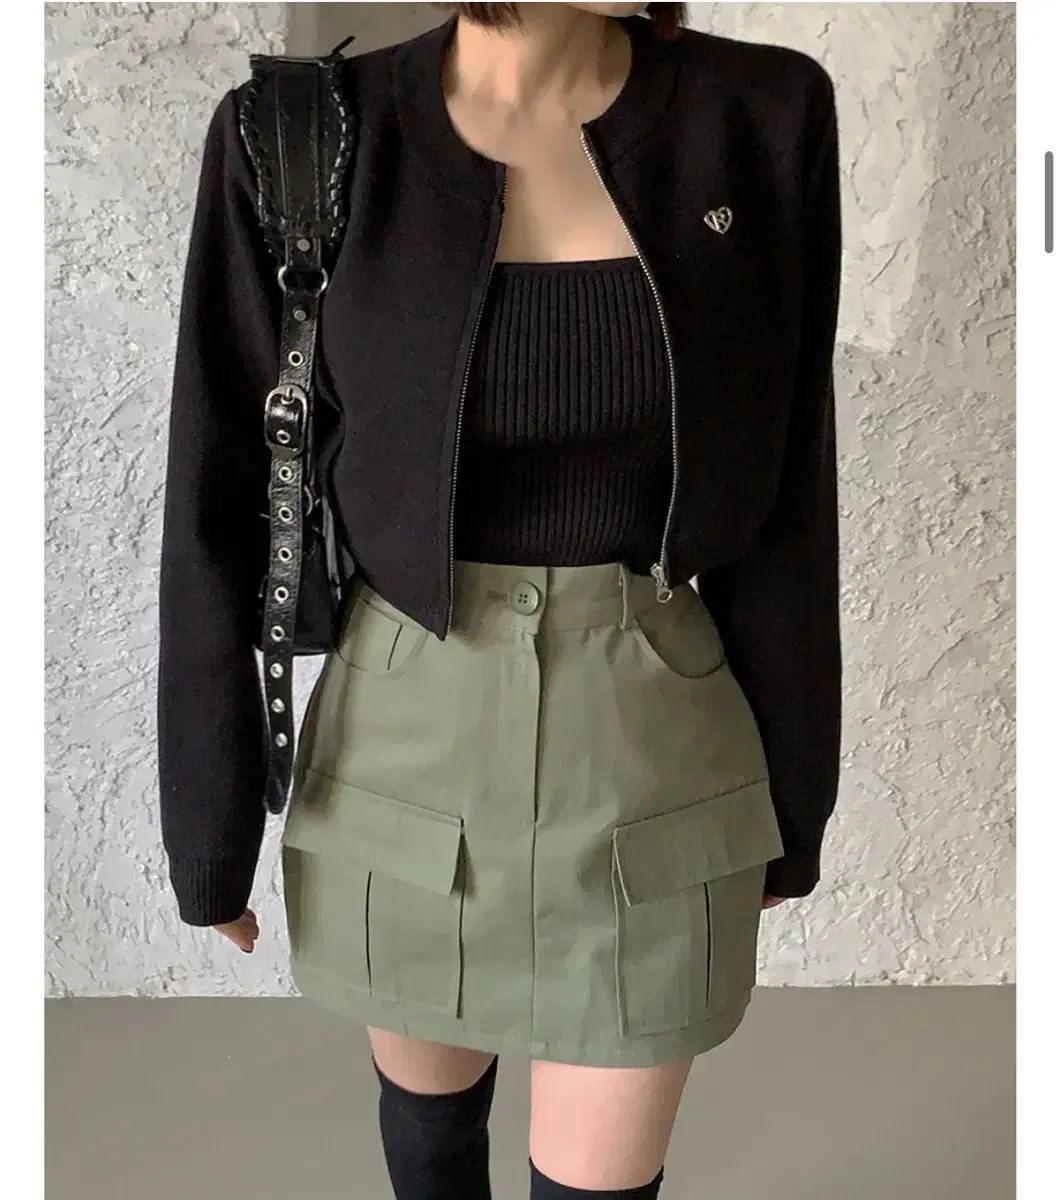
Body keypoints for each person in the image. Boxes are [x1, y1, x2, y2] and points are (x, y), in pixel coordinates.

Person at [156, 3, 842, 1197]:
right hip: (401, 756)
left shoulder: (762, 117)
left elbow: (790, 488)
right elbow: (217, 487)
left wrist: (797, 794)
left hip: (654, 762)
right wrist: (209, 821)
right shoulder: (300, 137)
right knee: (429, 1145)